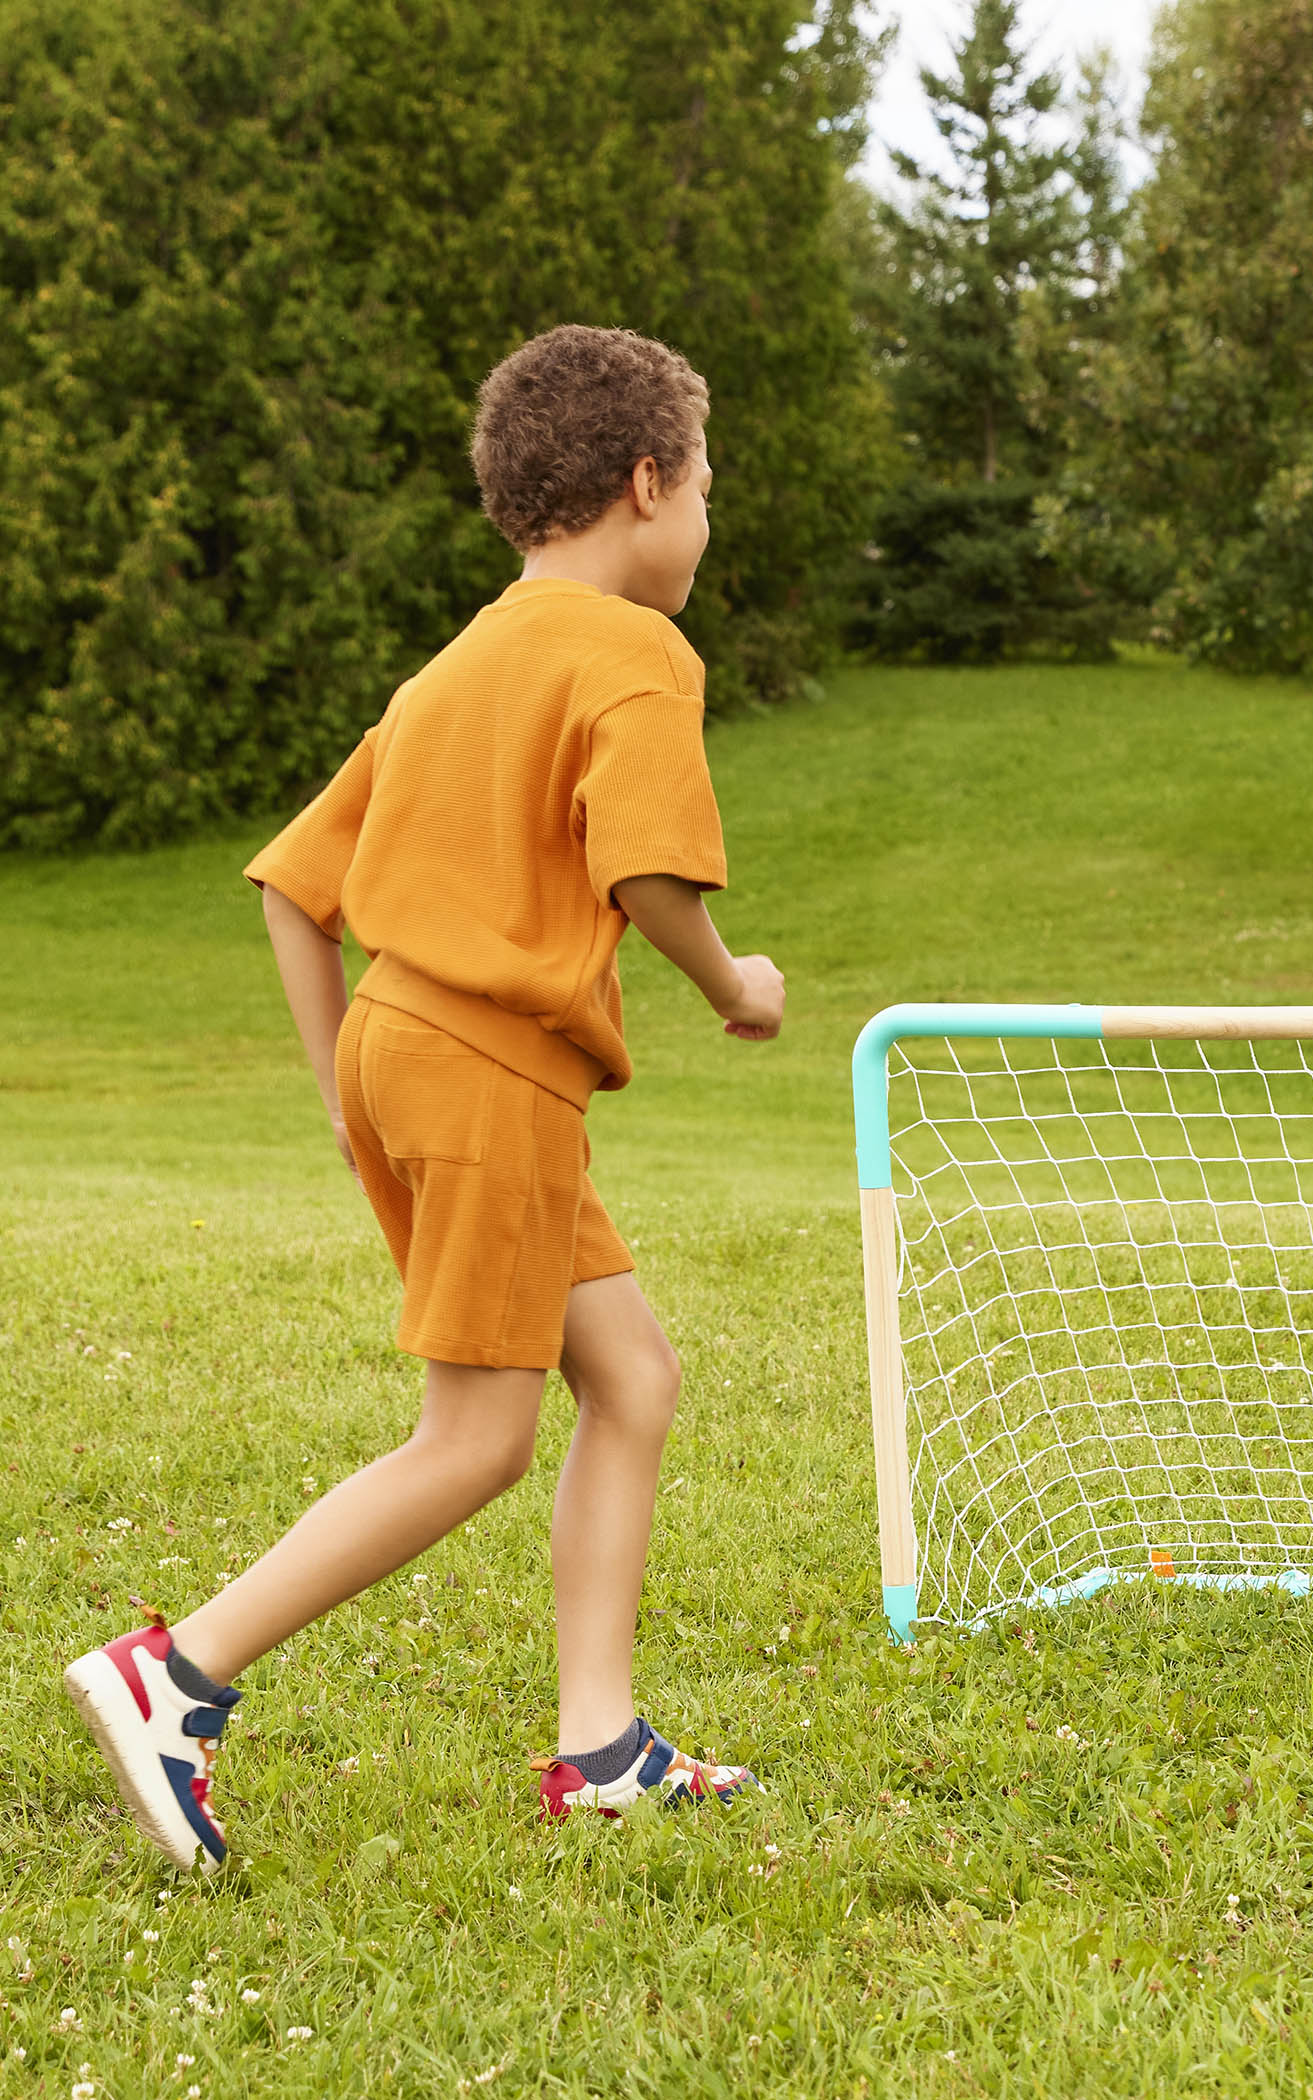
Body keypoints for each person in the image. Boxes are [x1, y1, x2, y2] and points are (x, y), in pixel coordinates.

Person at [62, 325, 783, 1872]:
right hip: (493, 1067)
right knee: (475, 1439)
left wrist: (343, 1085)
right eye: (707, 486)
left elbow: (291, 886)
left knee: (634, 1380)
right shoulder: (636, 652)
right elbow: (648, 871)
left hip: (409, 1046)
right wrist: (737, 988)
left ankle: (603, 1751)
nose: (709, 522)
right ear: (645, 483)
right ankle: (174, 1675)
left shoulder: (456, 663)